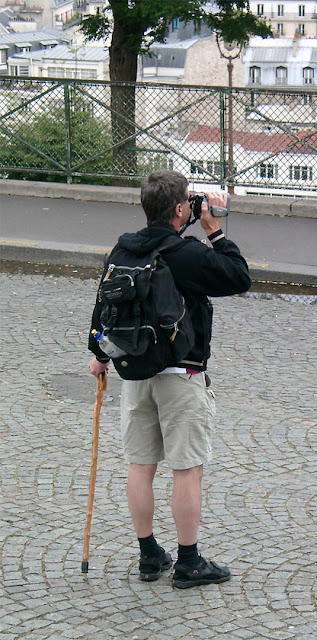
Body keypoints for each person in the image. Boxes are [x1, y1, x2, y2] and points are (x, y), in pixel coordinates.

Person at [88, 170, 251, 588]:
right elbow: (238, 277)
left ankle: (148, 556)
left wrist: (98, 355)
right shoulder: (187, 254)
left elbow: (104, 304)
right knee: (186, 470)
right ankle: (189, 563)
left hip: (136, 371)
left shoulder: (124, 249)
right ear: (181, 209)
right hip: (181, 373)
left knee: (140, 467)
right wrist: (214, 229)